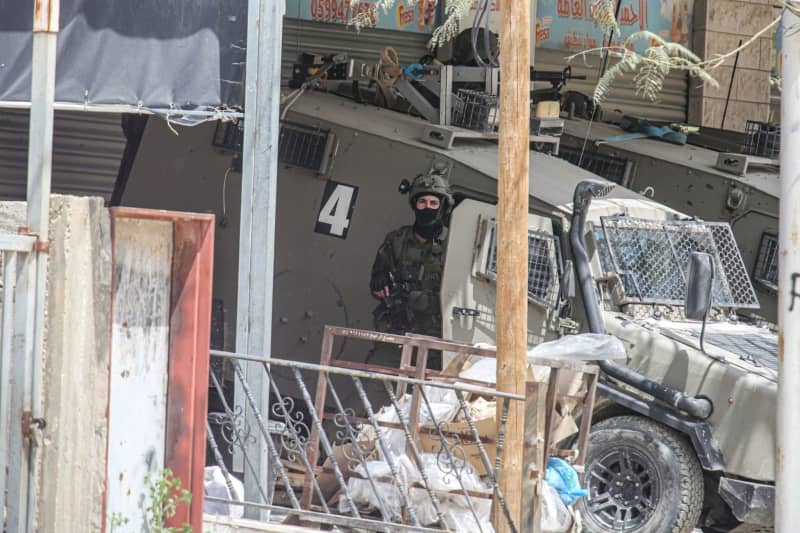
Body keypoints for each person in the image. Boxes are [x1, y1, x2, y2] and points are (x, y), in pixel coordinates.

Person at [367, 167, 453, 370]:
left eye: (433, 203)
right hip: (396, 333)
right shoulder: (397, 240)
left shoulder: (454, 244)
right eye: (422, 202)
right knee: (375, 379)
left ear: (442, 206)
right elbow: (377, 280)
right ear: (414, 204)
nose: (427, 207)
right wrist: (378, 281)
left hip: (435, 342)